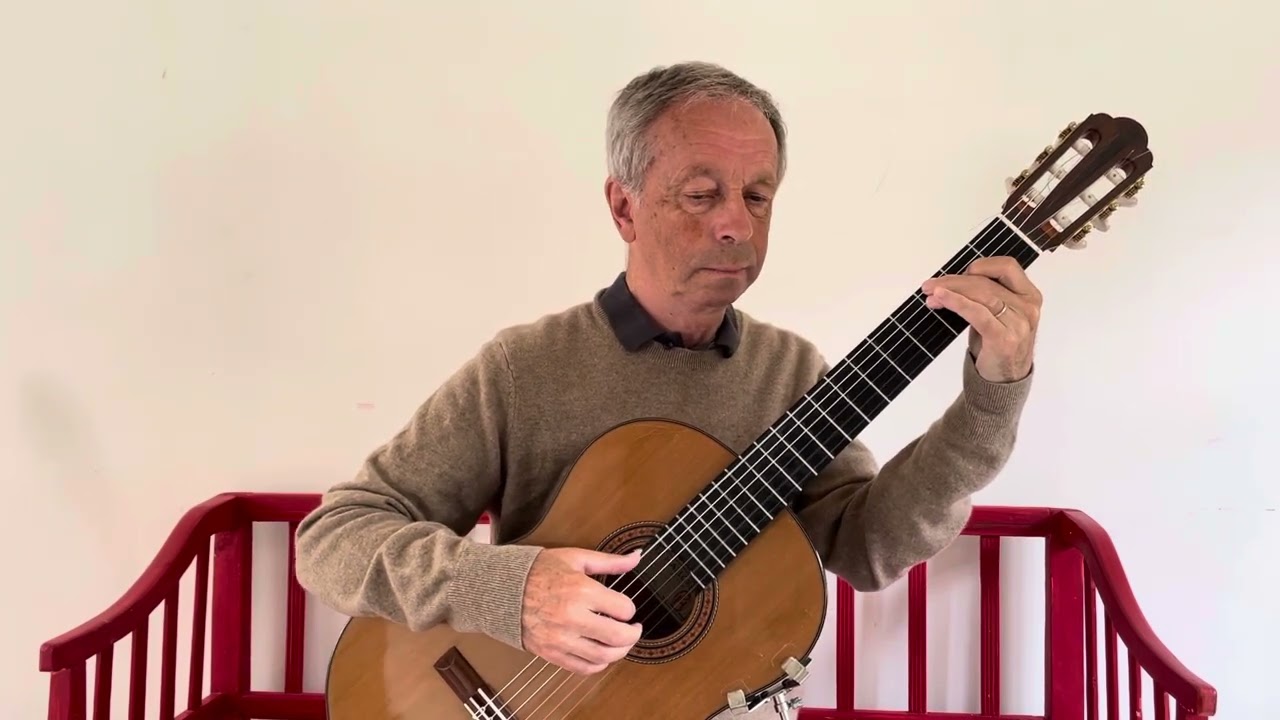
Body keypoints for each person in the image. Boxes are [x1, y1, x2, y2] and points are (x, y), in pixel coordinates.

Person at [294, 61, 1040, 680]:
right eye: (701, 193)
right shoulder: (525, 370)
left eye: (758, 195)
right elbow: (334, 538)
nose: (737, 225)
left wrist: (992, 399)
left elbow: (868, 548)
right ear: (624, 208)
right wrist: (510, 591)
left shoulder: (788, 373)